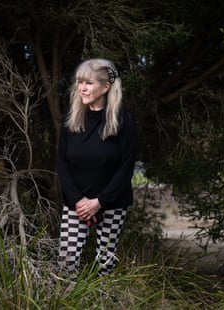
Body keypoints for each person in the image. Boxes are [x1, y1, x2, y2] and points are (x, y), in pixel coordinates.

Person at [56, 58, 138, 279]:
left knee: (106, 263)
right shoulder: (72, 118)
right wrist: (79, 201)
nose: (82, 88)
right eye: (79, 82)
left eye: (88, 83)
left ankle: (103, 301)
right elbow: (62, 163)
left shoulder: (123, 120)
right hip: (77, 205)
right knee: (67, 261)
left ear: (105, 86)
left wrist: (99, 202)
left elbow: (126, 168)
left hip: (112, 203)